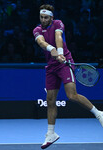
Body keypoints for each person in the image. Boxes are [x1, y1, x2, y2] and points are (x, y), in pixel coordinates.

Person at [33, 4, 103, 149]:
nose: (43, 19)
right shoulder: (37, 29)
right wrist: (51, 49)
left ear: (51, 17)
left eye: (46, 17)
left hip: (65, 63)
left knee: (72, 95)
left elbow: (58, 36)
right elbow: (41, 42)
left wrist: (59, 52)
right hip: (51, 67)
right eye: (41, 17)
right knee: (50, 100)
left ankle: (99, 114)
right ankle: (51, 133)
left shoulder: (58, 23)